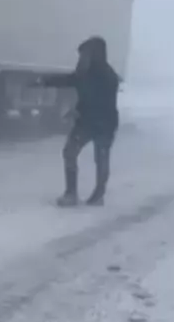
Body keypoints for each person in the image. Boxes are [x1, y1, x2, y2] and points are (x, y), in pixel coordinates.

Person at [37, 36, 121, 206]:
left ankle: (98, 194)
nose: (81, 59)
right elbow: (68, 80)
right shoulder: (86, 73)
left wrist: (78, 111)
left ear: (95, 55)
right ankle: (72, 193)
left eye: (84, 55)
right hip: (89, 122)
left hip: (103, 123)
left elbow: (98, 101)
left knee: (100, 157)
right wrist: (44, 81)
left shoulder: (108, 77)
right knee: (70, 152)